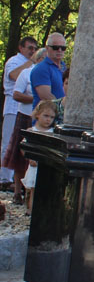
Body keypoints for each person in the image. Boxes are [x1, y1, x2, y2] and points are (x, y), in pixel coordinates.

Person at [4, 48, 44, 205]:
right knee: (19, 155)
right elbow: (16, 94)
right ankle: (17, 191)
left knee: (35, 157)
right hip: (25, 115)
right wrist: (35, 98)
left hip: (42, 119)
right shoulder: (26, 73)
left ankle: (31, 193)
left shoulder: (50, 73)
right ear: (39, 59)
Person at [2, 36, 37, 189]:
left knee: (20, 144)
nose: (32, 51)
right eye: (29, 48)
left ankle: (18, 180)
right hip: (12, 106)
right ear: (21, 48)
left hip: (25, 111)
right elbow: (14, 76)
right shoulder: (14, 61)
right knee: (8, 142)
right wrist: (31, 62)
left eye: (34, 49)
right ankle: (4, 179)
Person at [21, 100, 57, 215]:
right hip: (34, 164)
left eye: (51, 117)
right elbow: (23, 146)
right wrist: (29, 157)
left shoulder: (53, 132)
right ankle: (31, 210)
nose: (48, 119)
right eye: (45, 116)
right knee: (33, 190)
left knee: (45, 189)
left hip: (46, 165)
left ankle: (43, 211)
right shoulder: (31, 131)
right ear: (37, 114)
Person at [30, 34, 67, 108]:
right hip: (46, 115)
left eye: (63, 48)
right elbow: (46, 96)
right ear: (47, 48)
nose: (59, 50)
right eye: (55, 47)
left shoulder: (64, 67)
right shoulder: (41, 69)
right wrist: (63, 110)